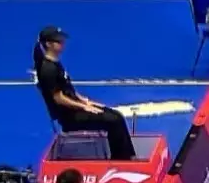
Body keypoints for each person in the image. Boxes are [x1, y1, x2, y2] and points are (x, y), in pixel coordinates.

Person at [35, 27, 136, 160]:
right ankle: (120, 159)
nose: (62, 43)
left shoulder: (56, 63)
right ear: (48, 44)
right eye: (58, 41)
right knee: (114, 120)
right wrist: (83, 107)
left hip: (75, 108)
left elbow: (69, 90)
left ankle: (127, 155)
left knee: (116, 115)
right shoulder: (48, 69)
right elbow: (58, 98)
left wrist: (86, 101)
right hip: (69, 117)